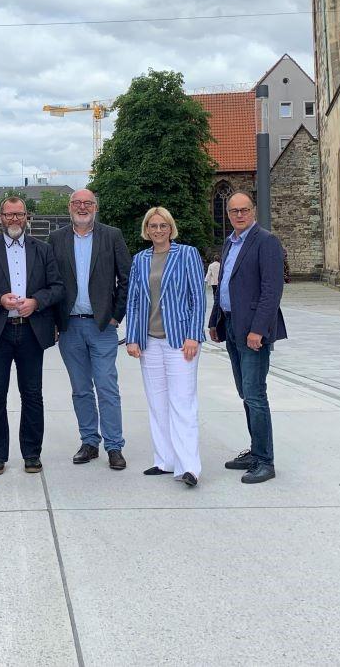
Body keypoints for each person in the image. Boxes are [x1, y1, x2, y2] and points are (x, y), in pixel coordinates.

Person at [0, 196, 64, 476]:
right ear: (0, 218)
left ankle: (32, 454)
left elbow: (57, 287)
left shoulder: (42, 250)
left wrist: (36, 302)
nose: (14, 220)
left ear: (27, 217)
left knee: (32, 394)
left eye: (19, 214)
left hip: (32, 331)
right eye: (9, 215)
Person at [48, 189, 131, 470]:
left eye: (88, 203)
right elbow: (49, 283)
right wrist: (55, 323)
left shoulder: (112, 236)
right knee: (81, 389)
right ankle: (89, 442)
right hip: (69, 327)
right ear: (69, 206)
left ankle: (114, 446)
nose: (82, 207)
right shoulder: (56, 239)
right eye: (77, 203)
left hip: (102, 326)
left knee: (107, 387)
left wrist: (116, 316)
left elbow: (126, 279)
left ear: (96, 207)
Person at [207, 192, 287, 484]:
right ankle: (255, 451)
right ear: (228, 214)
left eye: (244, 210)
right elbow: (223, 285)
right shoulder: (230, 242)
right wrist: (215, 320)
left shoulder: (266, 242)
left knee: (255, 393)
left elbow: (271, 290)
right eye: (233, 211)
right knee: (245, 393)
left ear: (253, 211)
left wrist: (258, 330)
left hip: (253, 332)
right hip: (231, 327)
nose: (239, 215)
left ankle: (266, 461)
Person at [124, 207, 205, 488]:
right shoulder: (139, 260)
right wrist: (133, 337)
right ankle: (164, 460)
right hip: (150, 342)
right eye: (153, 226)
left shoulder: (187, 255)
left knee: (182, 404)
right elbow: (133, 301)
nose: (158, 230)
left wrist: (193, 335)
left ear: (171, 228)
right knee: (157, 404)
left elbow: (198, 297)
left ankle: (189, 467)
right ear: (146, 230)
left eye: (163, 225)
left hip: (180, 341)